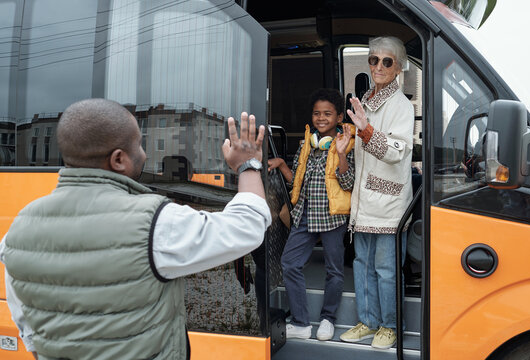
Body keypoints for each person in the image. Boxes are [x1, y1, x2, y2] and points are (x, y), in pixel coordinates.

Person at [0, 98, 271, 360]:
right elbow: (248, 225)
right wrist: (248, 165)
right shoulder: (155, 223)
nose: (144, 153)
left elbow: (28, 327)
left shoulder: (17, 232)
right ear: (118, 160)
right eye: (139, 145)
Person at [338, 36, 414, 349]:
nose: (378, 67)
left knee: (385, 269)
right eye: (374, 60)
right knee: (362, 265)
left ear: (398, 69)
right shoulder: (365, 101)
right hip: (362, 201)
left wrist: (367, 131)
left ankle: (390, 326)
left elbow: (398, 150)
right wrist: (345, 150)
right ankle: (368, 321)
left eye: (387, 62)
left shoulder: (402, 106)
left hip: (389, 204)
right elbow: (363, 157)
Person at [269, 88, 355, 341]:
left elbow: (348, 182)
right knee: (289, 263)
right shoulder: (307, 143)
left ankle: (328, 318)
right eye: (317, 113)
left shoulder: (347, 144)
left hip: (332, 217)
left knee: (334, 270)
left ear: (339, 117)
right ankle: (301, 323)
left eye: (328, 114)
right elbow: (297, 180)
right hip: (305, 216)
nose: (321, 118)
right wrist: (283, 165)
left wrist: (340, 153)